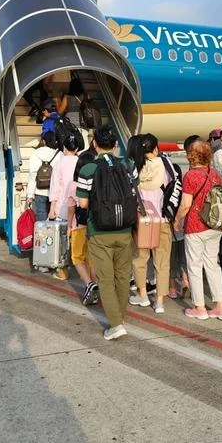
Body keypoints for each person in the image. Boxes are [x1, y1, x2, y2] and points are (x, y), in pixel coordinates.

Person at [77, 125, 139, 340]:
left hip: (99, 230)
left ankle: (115, 324)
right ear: (115, 145)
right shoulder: (129, 165)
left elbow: (83, 204)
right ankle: (119, 316)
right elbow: (133, 192)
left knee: (105, 279)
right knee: (123, 276)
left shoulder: (88, 169)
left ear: (94, 144)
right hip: (124, 229)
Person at [174, 139, 222, 320]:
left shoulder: (190, 176)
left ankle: (199, 307)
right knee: (213, 264)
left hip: (196, 226)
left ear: (191, 155)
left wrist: (177, 220)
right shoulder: (214, 173)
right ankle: (220, 306)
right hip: (214, 225)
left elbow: (185, 205)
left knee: (195, 266)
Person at [129, 133, 172, 314]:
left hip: (143, 220)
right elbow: (173, 190)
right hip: (161, 220)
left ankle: (143, 295)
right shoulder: (166, 166)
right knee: (162, 262)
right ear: (156, 148)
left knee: (140, 259)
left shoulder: (136, 168)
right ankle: (160, 302)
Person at [47, 132, 82, 281]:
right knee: (79, 238)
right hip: (80, 205)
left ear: (64, 147)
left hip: (63, 206)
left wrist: (51, 208)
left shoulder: (59, 164)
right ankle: (84, 270)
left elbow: (55, 187)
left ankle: (62, 271)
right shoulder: (82, 162)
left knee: (63, 240)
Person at [67, 150, 99, 305]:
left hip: (79, 227)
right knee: (92, 259)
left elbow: (71, 208)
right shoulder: (97, 182)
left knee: (77, 258)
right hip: (94, 227)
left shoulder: (73, 185)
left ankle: (89, 284)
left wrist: (68, 226)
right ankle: (95, 287)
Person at [26, 131, 62, 221]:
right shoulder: (60, 154)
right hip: (55, 192)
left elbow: (32, 175)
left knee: (41, 219)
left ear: (44, 141)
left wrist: (30, 194)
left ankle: (42, 235)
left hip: (39, 191)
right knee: (55, 217)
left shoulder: (36, 153)